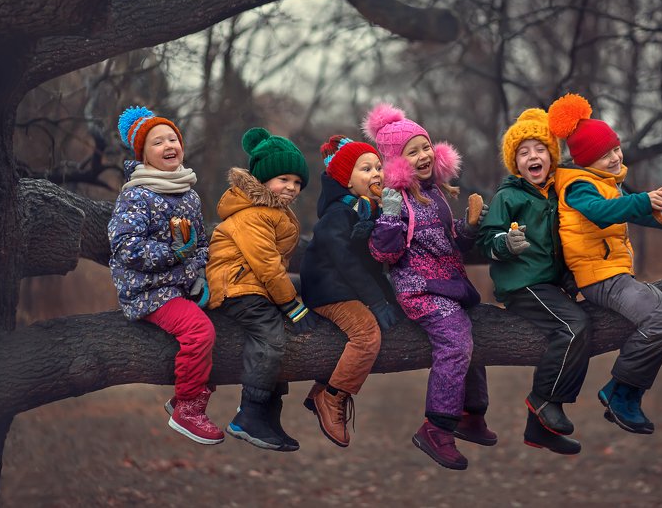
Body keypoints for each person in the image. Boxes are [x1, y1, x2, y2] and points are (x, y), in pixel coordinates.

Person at [548, 93, 662, 434]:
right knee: (660, 320)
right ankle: (620, 393)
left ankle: (626, 394)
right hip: (598, 276)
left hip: (612, 273)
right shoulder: (579, 187)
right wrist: (638, 200)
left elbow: (650, 215)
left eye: (615, 149)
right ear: (586, 160)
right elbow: (601, 214)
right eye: (604, 154)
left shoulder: (607, 185)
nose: (614, 157)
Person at [363, 103, 495, 471]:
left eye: (425, 147)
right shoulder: (397, 200)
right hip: (419, 289)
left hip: (448, 285)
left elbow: (454, 247)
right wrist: (389, 213)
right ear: (396, 161)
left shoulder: (435, 193)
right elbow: (382, 252)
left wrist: (468, 227)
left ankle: (472, 413)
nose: (422, 156)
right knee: (455, 340)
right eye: (412, 152)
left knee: (472, 331)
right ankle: (436, 428)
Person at [477, 108, 589, 455]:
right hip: (522, 284)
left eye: (539, 149)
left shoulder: (558, 194)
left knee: (584, 324)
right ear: (516, 162)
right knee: (574, 326)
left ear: (551, 155)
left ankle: (539, 431)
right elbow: (486, 241)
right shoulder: (508, 196)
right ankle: (543, 401)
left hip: (551, 284)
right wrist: (504, 245)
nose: (532, 156)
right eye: (523, 152)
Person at [109, 105, 222, 445]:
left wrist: (200, 273)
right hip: (147, 289)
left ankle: (193, 386)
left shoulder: (189, 193)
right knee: (199, 331)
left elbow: (201, 243)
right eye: (158, 142)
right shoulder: (136, 194)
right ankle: (187, 408)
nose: (169, 145)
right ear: (143, 154)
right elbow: (124, 245)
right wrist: (173, 254)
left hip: (183, 285)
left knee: (231, 313)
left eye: (173, 138)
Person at [205, 127, 317, 452]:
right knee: (270, 334)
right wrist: (291, 304)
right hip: (235, 285)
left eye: (297, 183)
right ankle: (249, 414)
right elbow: (267, 265)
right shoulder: (252, 215)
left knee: (281, 330)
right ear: (263, 179)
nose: (292, 188)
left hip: (253, 283)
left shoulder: (275, 212)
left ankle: (269, 415)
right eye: (284, 179)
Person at [299, 135, 402, 447]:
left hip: (351, 288)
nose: (375, 174)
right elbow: (345, 263)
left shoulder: (370, 209)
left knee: (386, 323)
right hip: (329, 289)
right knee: (366, 334)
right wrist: (375, 301)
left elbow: (376, 260)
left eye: (378, 167)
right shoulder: (337, 215)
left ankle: (322, 387)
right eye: (365, 169)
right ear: (346, 180)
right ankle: (332, 397)